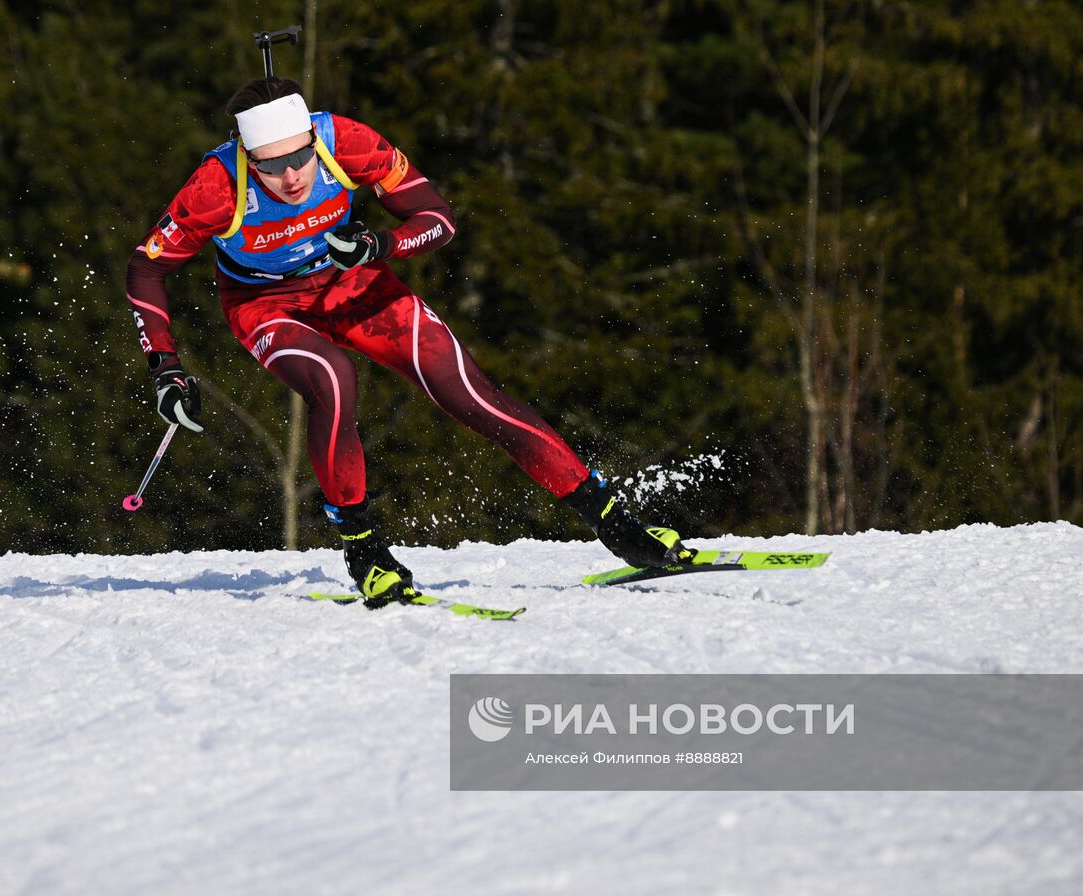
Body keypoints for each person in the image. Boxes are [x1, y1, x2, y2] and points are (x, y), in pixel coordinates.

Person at [125, 77, 693, 600]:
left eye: (300, 156)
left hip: (357, 284)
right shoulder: (215, 186)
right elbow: (146, 268)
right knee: (332, 378)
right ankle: (366, 552)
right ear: (248, 155)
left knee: (467, 391)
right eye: (273, 167)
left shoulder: (345, 142)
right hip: (266, 305)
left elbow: (438, 217)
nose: (292, 176)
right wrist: (165, 367)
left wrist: (381, 246)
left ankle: (617, 523)